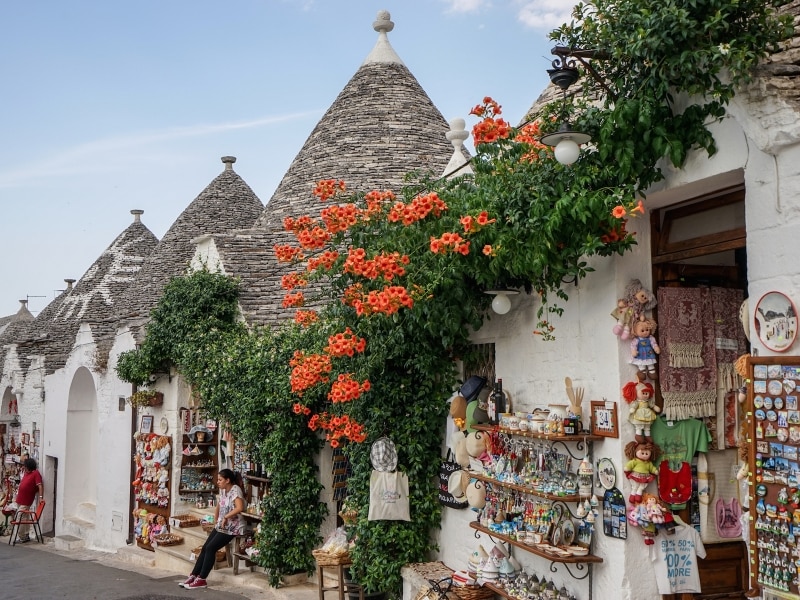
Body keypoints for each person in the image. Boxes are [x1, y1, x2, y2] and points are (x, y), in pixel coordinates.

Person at [179, 469, 246, 589]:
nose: (218, 482)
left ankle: (202, 579)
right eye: (218, 479)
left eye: (220, 480)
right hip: (222, 525)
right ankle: (194, 575)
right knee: (205, 547)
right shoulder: (224, 490)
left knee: (211, 548)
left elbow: (240, 507)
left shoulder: (236, 490)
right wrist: (217, 520)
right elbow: (219, 505)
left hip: (233, 527)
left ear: (228, 480)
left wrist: (226, 517)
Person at [13, 457, 44, 543]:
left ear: (29, 466)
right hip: (20, 499)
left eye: (25, 466)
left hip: (26, 501)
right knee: (24, 517)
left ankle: (21, 536)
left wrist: (41, 497)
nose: (24, 467)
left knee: (20, 517)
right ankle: (26, 535)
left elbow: (40, 485)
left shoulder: (36, 474)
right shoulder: (27, 473)